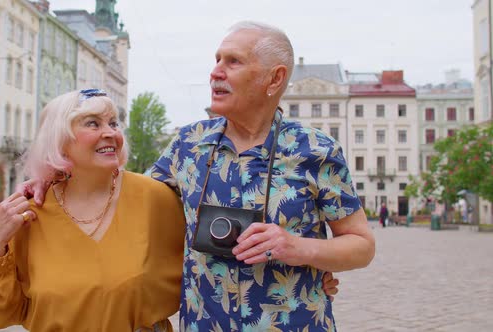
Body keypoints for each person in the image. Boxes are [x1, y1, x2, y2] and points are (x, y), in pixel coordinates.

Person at [23, 23, 353, 331]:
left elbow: (360, 244)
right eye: (217, 60)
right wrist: (53, 174)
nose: (215, 72)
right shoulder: (189, 144)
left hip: (295, 322)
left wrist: (298, 248)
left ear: (274, 78)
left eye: (233, 62)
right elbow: (123, 192)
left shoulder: (316, 150)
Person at [0, 89, 187, 331]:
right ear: (59, 141)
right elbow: (2, 312)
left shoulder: (155, 197)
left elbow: (207, 266)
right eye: (93, 124)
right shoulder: (31, 214)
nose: (110, 133)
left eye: (113, 123)